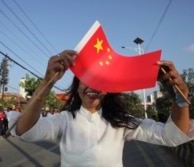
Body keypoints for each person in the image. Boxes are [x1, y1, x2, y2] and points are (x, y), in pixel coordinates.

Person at [14, 50, 194, 167]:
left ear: (108, 91)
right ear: (77, 86)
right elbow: (25, 131)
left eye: (101, 82)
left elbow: (170, 136)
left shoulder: (121, 122)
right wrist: (47, 82)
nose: (93, 87)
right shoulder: (65, 120)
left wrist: (181, 99)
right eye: (88, 79)